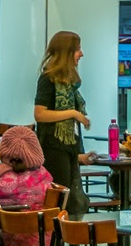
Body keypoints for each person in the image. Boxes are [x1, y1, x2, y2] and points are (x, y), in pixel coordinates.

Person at [33, 30, 95, 218]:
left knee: (70, 204)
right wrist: (74, 113)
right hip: (52, 150)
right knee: (60, 204)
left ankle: (65, 235)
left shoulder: (68, 83)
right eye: (77, 49)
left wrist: (79, 156)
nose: (81, 54)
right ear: (66, 52)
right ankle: (57, 236)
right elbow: (39, 114)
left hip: (67, 151)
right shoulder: (48, 78)